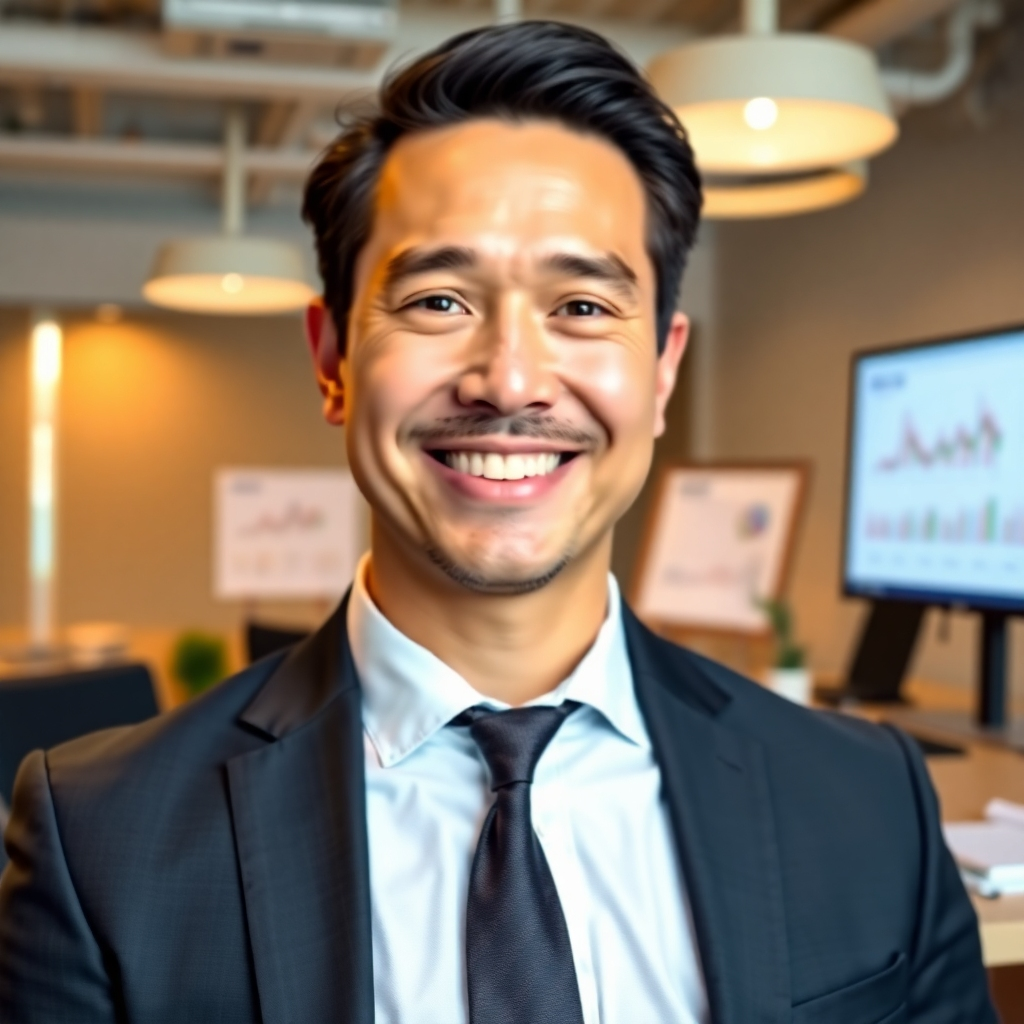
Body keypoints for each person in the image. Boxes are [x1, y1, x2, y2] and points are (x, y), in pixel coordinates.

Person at [0, 21, 995, 1024]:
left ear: (660, 371)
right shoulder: (99, 843)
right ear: (332, 360)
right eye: (437, 300)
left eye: (583, 308)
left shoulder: (870, 806)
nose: (510, 380)